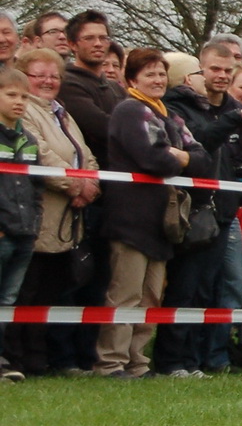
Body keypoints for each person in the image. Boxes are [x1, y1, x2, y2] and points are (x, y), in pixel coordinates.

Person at [95, 50, 211, 378]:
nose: (157, 80)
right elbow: (152, 159)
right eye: (149, 74)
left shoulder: (168, 116)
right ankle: (112, 362)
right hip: (131, 219)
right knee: (125, 294)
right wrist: (178, 157)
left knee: (150, 298)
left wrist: (181, 157)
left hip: (162, 222)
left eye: (161, 74)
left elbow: (202, 157)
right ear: (132, 80)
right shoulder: (130, 111)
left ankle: (137, 361)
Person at [157, 40, 242, 377]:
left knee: (208, 289)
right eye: (215, 69)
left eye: (227, 70)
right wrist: (234, 120)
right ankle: (171, 359)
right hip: (190, 209)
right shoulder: (179, 104)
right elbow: (198, 141)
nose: (220, 75)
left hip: (223, 210)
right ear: (201, 70)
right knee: (183, 287)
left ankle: (197, 358)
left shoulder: (232, 109)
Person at [9, 50, 99, 376]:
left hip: (66, 221)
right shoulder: (24, 112)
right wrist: (76, 186)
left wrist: (90, 184)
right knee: (25, 291)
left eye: (54, 76)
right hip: (38, 217)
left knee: (48, 292)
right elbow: (41, 156)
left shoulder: (63, 113)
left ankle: (38, 357)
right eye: (39, 75)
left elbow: (84, 154)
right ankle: (17, 359)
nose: (48, 81)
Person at [0, 66, 42, 382]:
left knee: (7, 300)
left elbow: (36, 186)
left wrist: (35, 223)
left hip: (25, 231)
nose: (19, 102)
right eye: (11, 94)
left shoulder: (28, 139)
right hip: (3, 230)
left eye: (24, 96)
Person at [57, 10, 125, 165]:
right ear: (72, 44)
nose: (98, 44)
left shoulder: (116, 88)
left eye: (103, 38)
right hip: (91, 172)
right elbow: (101, 127)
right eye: (89, 38)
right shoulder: (67, 83)